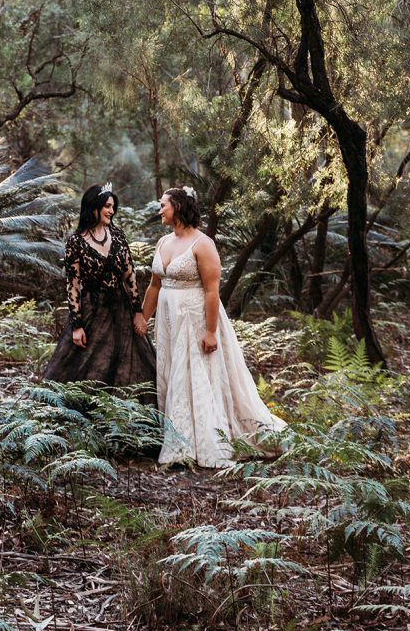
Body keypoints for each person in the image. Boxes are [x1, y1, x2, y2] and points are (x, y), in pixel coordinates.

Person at [139, 186, 286, 467]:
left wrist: (210, 331)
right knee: (173, 371)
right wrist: (143, 318)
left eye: (163, 205)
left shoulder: (203, 244)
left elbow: (211, 291)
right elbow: (154, 286)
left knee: (196, 373)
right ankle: (178, 436)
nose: (160, 210)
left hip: (195, 319)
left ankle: (198, 444)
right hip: (169, 321)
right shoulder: (162, 243)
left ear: (178, 207)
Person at [43, 183, 157, 403]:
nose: (111, 211)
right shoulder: (75, 242)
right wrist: (76, 325)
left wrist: (137, 312)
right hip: (92, 311)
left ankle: (124, 416)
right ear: (93, 207)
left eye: (113, 207)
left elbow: (129, 276)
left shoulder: (118, 236)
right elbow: (73, 284)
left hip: (121, 310)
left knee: (129, 363)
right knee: (89, 364)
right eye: (107, 206)